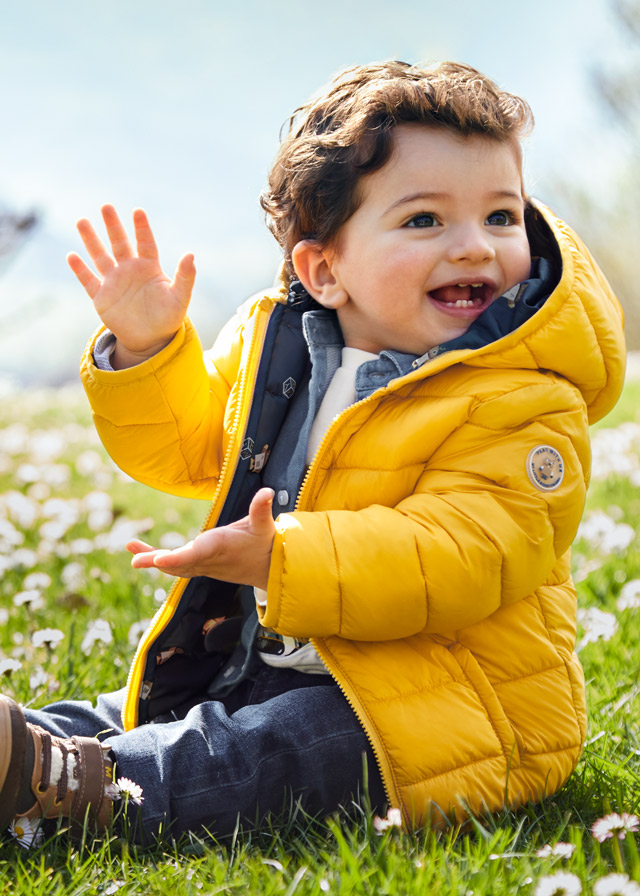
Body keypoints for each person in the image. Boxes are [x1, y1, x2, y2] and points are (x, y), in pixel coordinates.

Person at [0, 61, 626, 842]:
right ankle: (30, 753)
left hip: (443, 707)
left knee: (255, 755)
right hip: (280, 663)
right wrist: (149, 349)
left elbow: (467, 551)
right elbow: (190, 451)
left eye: (502, 217)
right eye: (426, 221)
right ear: (324, 270)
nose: (476, 247)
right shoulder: (283, 348)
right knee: (123, 715)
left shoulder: (523, 397)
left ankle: (66, 790)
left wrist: (282, 559)